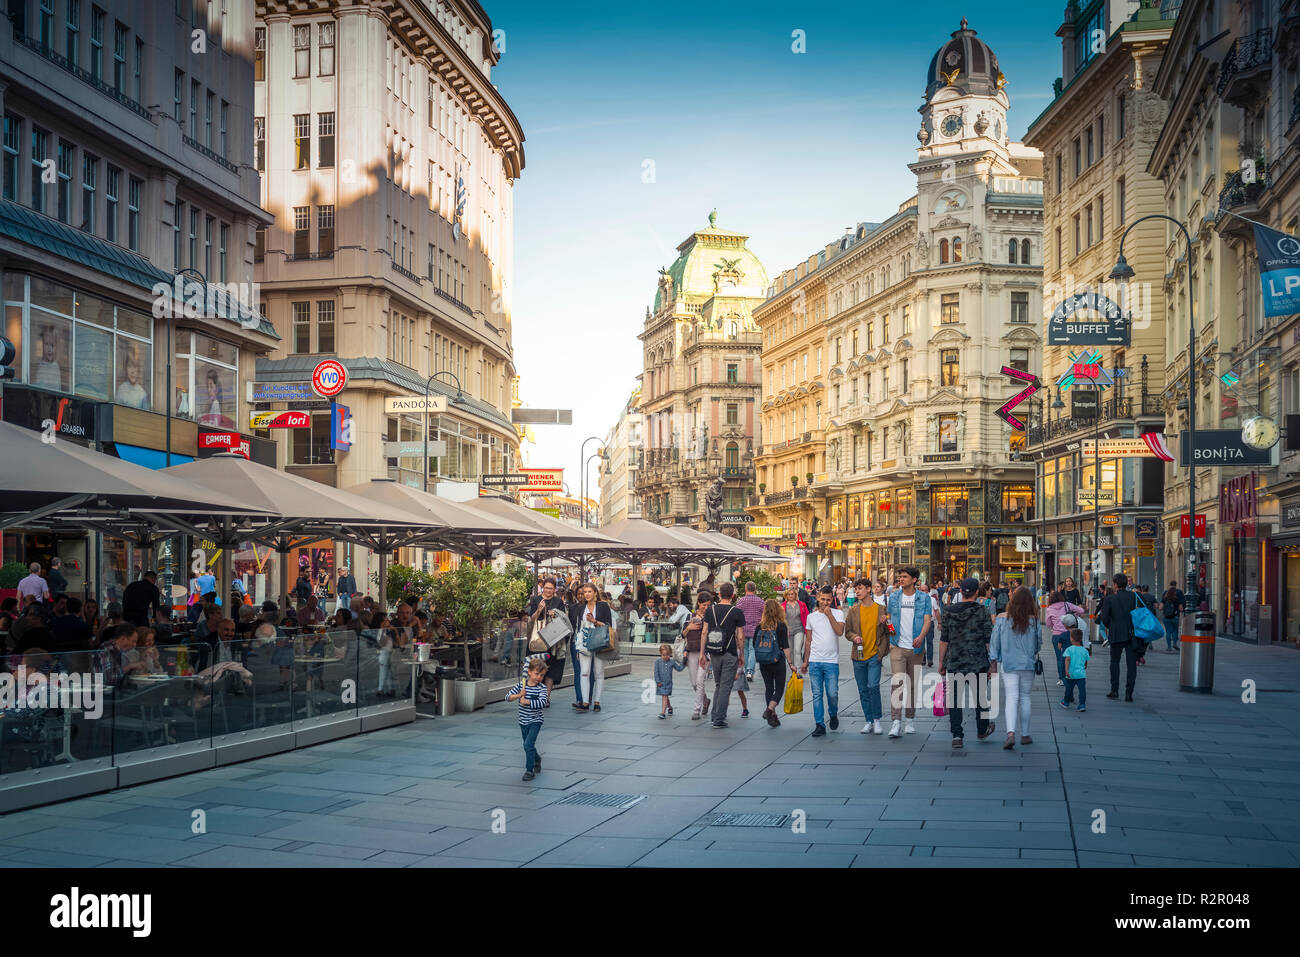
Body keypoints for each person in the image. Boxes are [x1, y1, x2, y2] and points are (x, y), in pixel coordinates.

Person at [938, 577, 996, 749]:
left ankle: (957, 735)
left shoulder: (948, 611)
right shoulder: (982, 611)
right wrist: (992, 663)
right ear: (977, 593)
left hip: (955, 661)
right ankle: (982, 729)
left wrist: (941, 662)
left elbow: (944, 639)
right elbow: (988, 639)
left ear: (961, 591)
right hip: (977, 660)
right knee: (980, 698)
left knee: (955, 700)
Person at [990, 586, 1041, 750]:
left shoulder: (1001, 618)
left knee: (1011, 697)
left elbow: (994, 642)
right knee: (1025, 697)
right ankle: (1025, 734)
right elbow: (1038, 643)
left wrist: (994, 660)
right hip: (1027, 663)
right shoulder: (1034, 620)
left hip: (1009, 662)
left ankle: (1010, 733)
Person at [886, 567, 930, 738]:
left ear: (914, 580)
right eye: (900, 576)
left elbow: (927, 620)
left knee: (912, 684)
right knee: (897, 683)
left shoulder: (924, 598)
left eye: (904, 577)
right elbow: (889, 618)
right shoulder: (894, 596)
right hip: (897, 645)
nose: (901, 579)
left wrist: (921, 637)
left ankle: (910, 719)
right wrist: (890, 631)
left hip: (916, 647)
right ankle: (896, 722)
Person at [844, 578, 888, 734]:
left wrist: (886, 623)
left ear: (869, 589)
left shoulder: (881, 609)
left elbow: (890, 632)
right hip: (858, 655)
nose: (857, 591)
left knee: (873, 686)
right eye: (856, 589)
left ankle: (877, 720)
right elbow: (847, 631)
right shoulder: (853, 610)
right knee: (863, 689)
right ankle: (868, 720)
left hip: (875, 655)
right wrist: (854, 637)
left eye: (860, 588)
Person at [801, 585, 845, 737]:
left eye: (828, 600)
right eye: (822, 599)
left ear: (832, 600)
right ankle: (819, 724)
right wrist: (805, 661)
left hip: (831, 661)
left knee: (832, 693)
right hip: (815, 660)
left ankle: (833, 713)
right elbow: (808, 640)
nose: (825, 603)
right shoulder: (811, 617)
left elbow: (840, 632)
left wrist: (829, 616)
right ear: (818, 598)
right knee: (817, 694)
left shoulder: (838, 614)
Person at [702, 582, 746, 728]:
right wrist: (741, 655)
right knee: (725, 686)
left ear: (719, 594)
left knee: (718, 684)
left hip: (714, 651)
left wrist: (703, 653)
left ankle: (715, 715)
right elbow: (740, 636)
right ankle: (719, 718)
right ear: (733, 595)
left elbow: (704, 632)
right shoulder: (736, 612)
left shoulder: (710, 610)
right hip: (729, 652)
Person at [570, 582, 614, 712]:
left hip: (600, 641)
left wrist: (594, 621)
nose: (587, 594)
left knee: (599, 672)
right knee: (584, 672)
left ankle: (597, 701)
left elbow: (608, 625)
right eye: (585, 592)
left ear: (595, 593)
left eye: (589, 591)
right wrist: (577, 647)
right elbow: (578, 628)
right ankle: (584, 702)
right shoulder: (580, 608)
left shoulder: (603, 606)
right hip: (584, 643)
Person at [1099, 573, 1141, 702]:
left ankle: (1115, 690)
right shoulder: (1134, 596)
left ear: (1116, 584)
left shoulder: (1110, 599)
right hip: (1131, 634)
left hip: (1116, 634)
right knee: (1131, 665)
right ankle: (1129, 693)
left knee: (1115, 662)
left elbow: (1104, 618)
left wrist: (1112, 625)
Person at [506, 658, 549, 781]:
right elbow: (507, 697)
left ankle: (529, 771)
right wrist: (519, 695)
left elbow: (542, 703)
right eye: (536, 674)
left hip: (536, 721)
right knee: (528, 746)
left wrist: (527, 701)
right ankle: (537, 759)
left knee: (528, 744)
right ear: (529, 672)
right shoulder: (521, 686)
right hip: (523, 721)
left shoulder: (542, 688)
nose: (539, 677)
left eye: (541, 675)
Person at [754, 598, 795, 727]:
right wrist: (790, 663)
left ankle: (772, 717)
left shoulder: (760, 626)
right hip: (777, 661)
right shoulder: (781, 625)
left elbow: (755, 643)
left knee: (769, 688)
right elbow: (786, 646)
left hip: (763, 662)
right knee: (779, 689)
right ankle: (769, 710)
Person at [528, 578, 568, 704]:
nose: (548, 590)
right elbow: (531, 619)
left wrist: (555, 614)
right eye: (546, 588)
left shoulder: (558, 601)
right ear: (543, 588)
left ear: (554, 589)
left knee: (551, 669)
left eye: (551, 588)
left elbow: (564, 619)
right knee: (537, 668)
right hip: (538, 639)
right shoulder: (536, 600)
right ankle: (535, 695)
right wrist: (539, 610)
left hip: (553, 639)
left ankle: (546, 698)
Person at [1044, 590, 1086, 689]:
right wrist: (1073, 617)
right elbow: (1081, 610)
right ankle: (1072, 675)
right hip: (1070, 634)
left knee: (1060, 658)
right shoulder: (1067, 604)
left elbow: (1048, 624)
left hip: (1057, 635)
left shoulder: (1049, 609)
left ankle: (1062, 679)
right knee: (1071, 656)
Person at [682, 593, 712, 720]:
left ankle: (696, 710)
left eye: (708, 605)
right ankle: (705, 700)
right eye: (704, 605)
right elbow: (682, 635)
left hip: (705, 653)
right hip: (692, 651)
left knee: (700, 681)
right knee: (694, 683)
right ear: (699, 603)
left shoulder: (711, 617)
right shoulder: (689, 616)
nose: (706, 607)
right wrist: (689, 627)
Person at [736, 581, 765, 681]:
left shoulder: (741, 601)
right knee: (753, 650)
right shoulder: (760, 601)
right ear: (755, 589)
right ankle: (750, 671)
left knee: (744, 650)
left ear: (745, 589)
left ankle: (744, 669)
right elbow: (764, 615)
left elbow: (737, 615)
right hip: (756, 629)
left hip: (743, 629)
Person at [654, 643, 687, 718]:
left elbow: (679, 669)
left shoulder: (672, 662)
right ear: (660, 654)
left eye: (667, 655)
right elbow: (656, 672)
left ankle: (662, 713)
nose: (665, 657)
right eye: (663, 655)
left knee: (665, 696)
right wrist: (658, 681)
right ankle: (670, 708)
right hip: (661, 683)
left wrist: (684, 662)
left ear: (670, 654)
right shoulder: (658, 662)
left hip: (668, 684)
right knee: (665, 696)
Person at [1060, 628, 1090, 711]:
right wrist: (1085, 666)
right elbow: (1085, 661)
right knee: (1082, 690)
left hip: (1071, 673)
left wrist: (1066, 670)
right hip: (1081, 674)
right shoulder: (1084, 650)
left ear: (1071, 638)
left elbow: (1067, 660)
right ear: (1081, 639)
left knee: (1069, 689)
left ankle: (1066, 702)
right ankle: (1082, 704)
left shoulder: (1069, 649)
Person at [781, 586, 808, 670]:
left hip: (799, 629)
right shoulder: (782, 606)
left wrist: (808, 630)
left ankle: (798, 670)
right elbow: (781, 619)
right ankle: (793, 669)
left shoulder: (802, 604)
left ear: (795, 595)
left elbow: (807, 616)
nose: (790, 596)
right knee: (791, 651)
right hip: (788, 630)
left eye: (792, 594)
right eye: (789, 594)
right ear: (786, 595)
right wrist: (784, 630)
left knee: (797, 650)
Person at [1160, 580, 1184, 652]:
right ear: (1176, 585)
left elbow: (1160, 607)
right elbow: (1181, 608)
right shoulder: (1179, 593)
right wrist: (1181, 611)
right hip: (1175, 616)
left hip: (1166, 617)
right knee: (1175, 630)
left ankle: (1169, 647)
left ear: (1169, 584)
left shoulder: (1165, 593)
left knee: (1168, 632)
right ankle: (1175, 643)